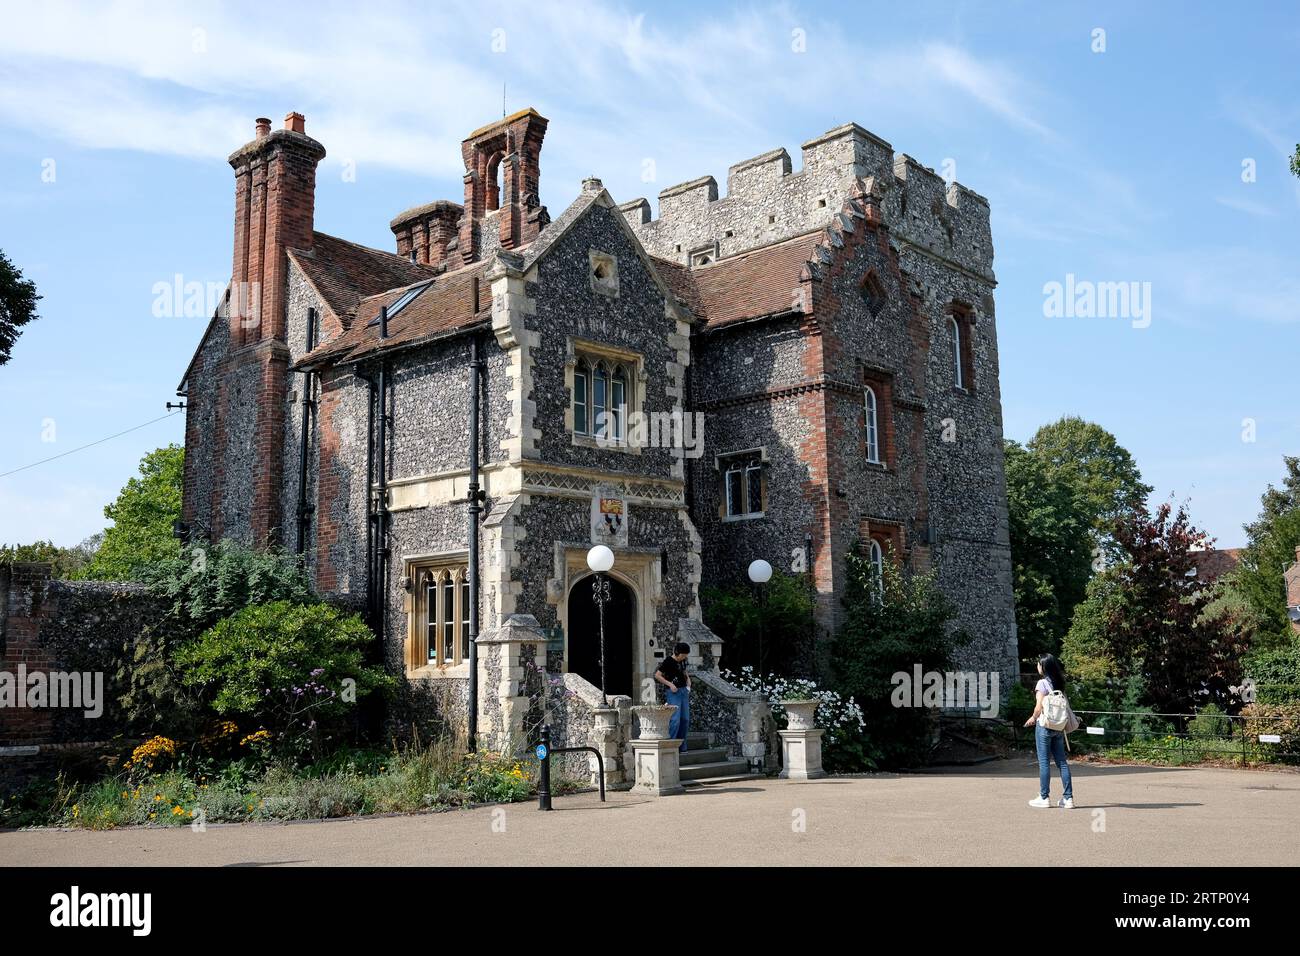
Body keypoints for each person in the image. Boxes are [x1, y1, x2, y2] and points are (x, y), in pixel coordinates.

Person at [1024, 653, 1074, 809]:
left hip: (1045, 726)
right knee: (1062, 763)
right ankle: (1068, 798)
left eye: (1039, 664)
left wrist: (1032, 718)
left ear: (1043, 667)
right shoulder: (1059, 682)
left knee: (1044, 763)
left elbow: (1039, 706)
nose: (1037, 666)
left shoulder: (1042, 683)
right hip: (1058, 727)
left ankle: (1044, 797)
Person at [655, 643, 692, 752]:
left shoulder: (683, 660)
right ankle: (670, 745)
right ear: (678, 653)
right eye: (684, 655)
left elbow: (684, 671)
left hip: (684, 691)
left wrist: (688, 679)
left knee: (685, 719)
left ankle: (681, 747)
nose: (685, 657)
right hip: (673, 693)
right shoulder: (668, 661)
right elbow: (657, 675)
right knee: (675, 720)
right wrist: (670, 684)